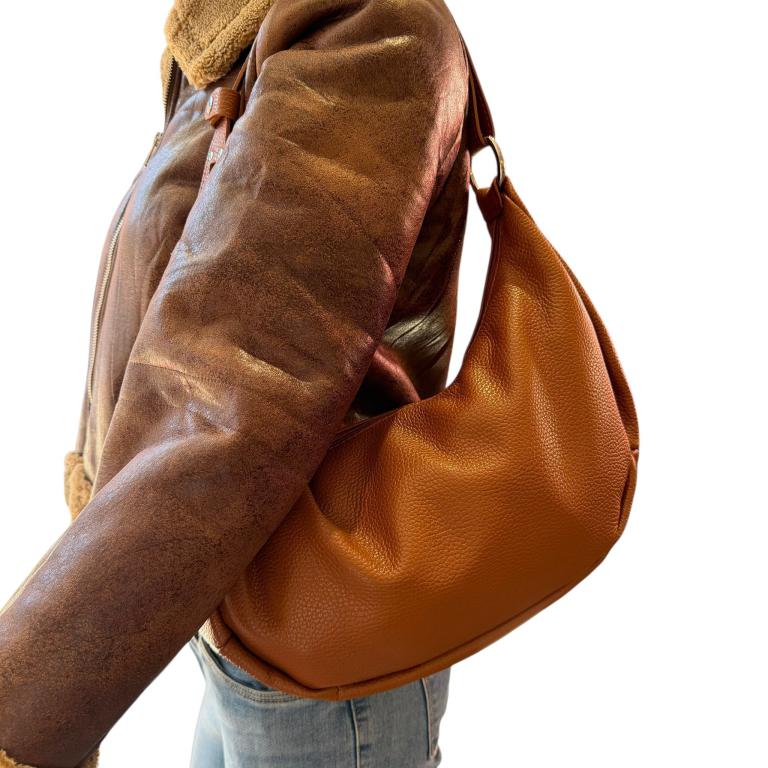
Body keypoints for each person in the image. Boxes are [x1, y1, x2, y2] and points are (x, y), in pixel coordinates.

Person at [0, 0, 475, 765]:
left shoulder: (363, 28)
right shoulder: (232, 38)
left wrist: (20, 716)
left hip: (323, 644)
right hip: (238, 599)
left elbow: (227, 401)